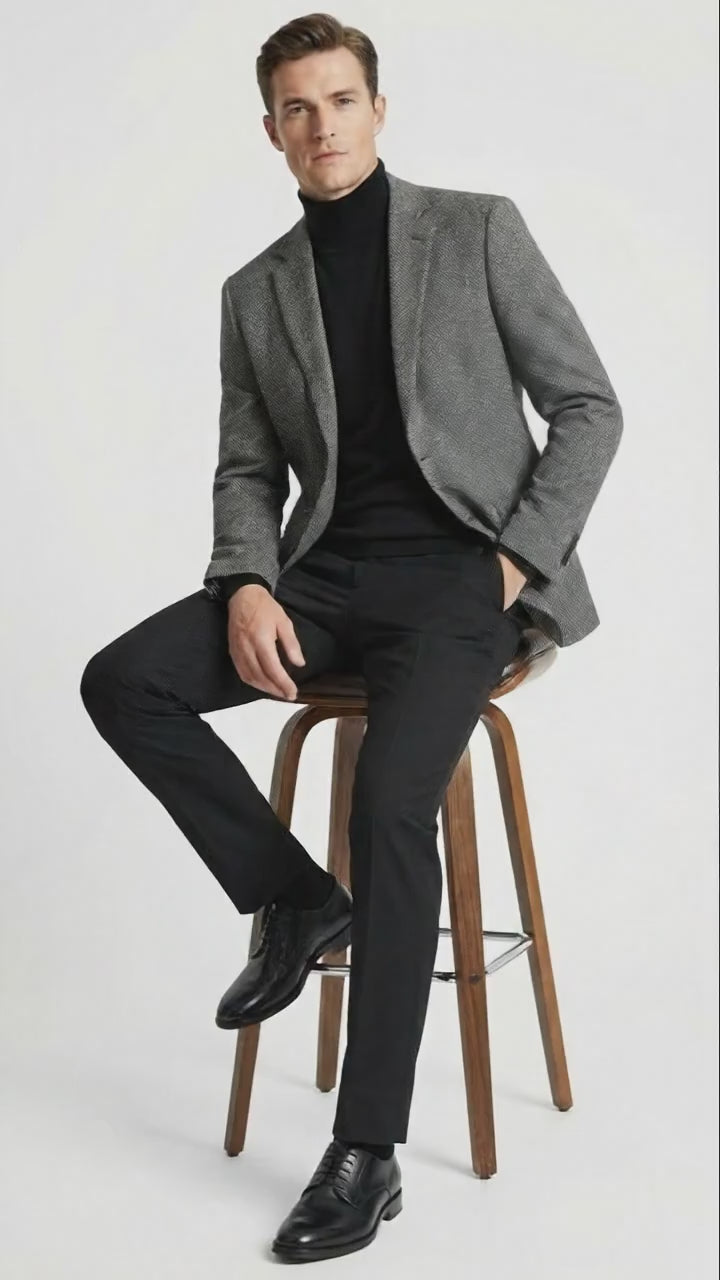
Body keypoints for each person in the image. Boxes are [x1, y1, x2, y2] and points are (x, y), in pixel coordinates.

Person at [79, 11, 623, 1265]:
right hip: (322, 579)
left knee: (389, 802)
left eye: (339, 100)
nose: (320, 125)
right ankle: (295, 898)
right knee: (124, 680)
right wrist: (244, 580)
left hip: (460, 582)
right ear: (270, 129)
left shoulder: (475, 230)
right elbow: (247, 466)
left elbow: (589, 405)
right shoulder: (254, 290)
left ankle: (366, 1151)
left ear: (379, 108)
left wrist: (511, 561)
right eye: (296, 107)